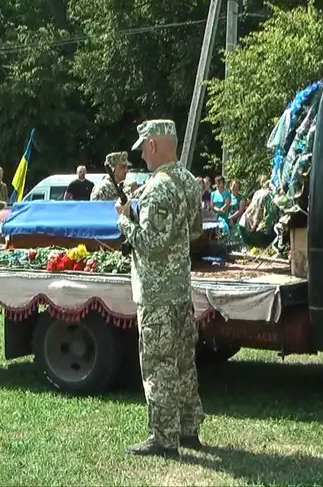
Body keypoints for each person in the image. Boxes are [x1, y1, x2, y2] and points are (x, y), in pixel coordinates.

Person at [115, 119, 204, 457]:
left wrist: (124, 220)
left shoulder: (156, 188)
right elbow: (195, 230)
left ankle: (164, 438)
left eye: (143, 148)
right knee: (184, 363)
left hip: (156, 294)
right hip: (180, 289)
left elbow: (150, 243)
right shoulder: (189, 181)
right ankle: (189, 428)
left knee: (158, 365)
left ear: (152, 145)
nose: (142, 156)